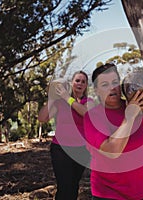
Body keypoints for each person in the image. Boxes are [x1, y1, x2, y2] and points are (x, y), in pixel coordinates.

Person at [83, 63, 143, 200]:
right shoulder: (93, 117)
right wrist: (129, 117)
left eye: (115, 82)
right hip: (109, 194)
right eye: (105, 85)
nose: (112, 88)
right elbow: (112, 151)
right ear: (96, 90)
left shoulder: (138, 105)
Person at [38, 71, 94, 200]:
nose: (80, 83)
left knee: (73, 186)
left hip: (81, 150)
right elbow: (42, 118)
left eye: (83, 81)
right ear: (71, 83)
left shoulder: (88, 101)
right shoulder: (60, 103)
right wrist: (51, 98)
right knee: (65, 185)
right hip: (60, 149)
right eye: (77, 80)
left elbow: (86, 114)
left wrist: (67, 98)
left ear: (86, 86)